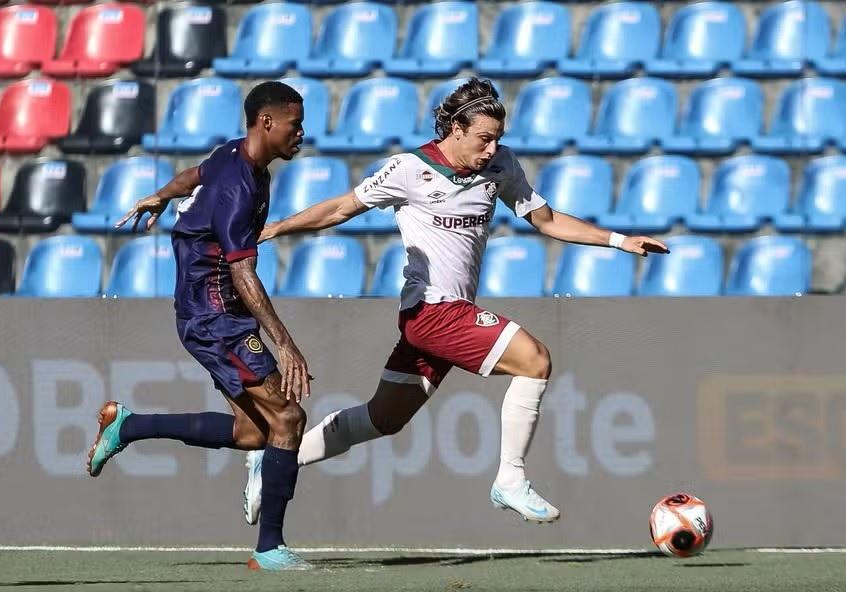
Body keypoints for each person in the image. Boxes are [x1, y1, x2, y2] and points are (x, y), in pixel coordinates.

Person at [240, 77, 670, 525]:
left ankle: (273, 460)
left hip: (445, 315)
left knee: (381, 419)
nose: (491, 148)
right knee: (535, 360)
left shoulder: (500, 166)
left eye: (498, 139)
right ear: (456, 129)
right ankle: (510, 478)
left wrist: (620, 241)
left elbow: (547, 220)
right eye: (484, 138)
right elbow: (341, 208)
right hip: (431, 310)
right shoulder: (409, 169)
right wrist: (274, 229)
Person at [87, 81, 314, 571]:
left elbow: (194, 175)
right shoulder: (238, 187)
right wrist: (287, 345)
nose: (302, 134)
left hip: (210, 314)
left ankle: (129, 425)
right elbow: (241, 271)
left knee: (255, 433)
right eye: (295, 125)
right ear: (267, 122)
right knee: (288, 420)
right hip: (217, 318)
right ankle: (269, 550)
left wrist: (159, 196)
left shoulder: (234, 157)